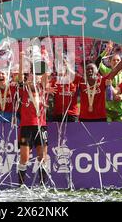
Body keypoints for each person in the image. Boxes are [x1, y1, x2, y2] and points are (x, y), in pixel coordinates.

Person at [17, 52, 50, 186]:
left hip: (41, 126)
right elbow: (20, 77)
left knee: (42, 157)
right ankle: (21, 185)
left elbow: (45, 75)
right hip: (26, 127)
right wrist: (21, 59)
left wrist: (44, 61)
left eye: (35, 74)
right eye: (30, 74)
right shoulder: (23, 89)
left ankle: (42, 184)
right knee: (24, 158)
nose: (33, 77)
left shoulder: (42, 89)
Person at [78, 47, 122, 122]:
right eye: (87, 69)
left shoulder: (102, 81)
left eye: (92, 69)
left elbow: (116, 70)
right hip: (85, 118)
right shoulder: (81, 82)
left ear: (97, 71)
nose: (90, 71)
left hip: (102, 117)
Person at [96, 41, 122, 122]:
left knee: (119, 133)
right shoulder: (107, 72)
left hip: (120, 110)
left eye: (118, 60)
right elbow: (98, 62)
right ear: (110, 62)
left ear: (121, 63)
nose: (116, 62)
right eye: (114, 60)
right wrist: (106, 51)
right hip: (107, 110)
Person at [49, 55, 79, 122]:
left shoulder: (74, 78)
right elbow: (44, 88)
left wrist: (66, 65)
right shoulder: (54, 80)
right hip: (58, 114)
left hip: (72, 114)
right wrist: (47, 89)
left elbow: (78, 77)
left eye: (63, 65)